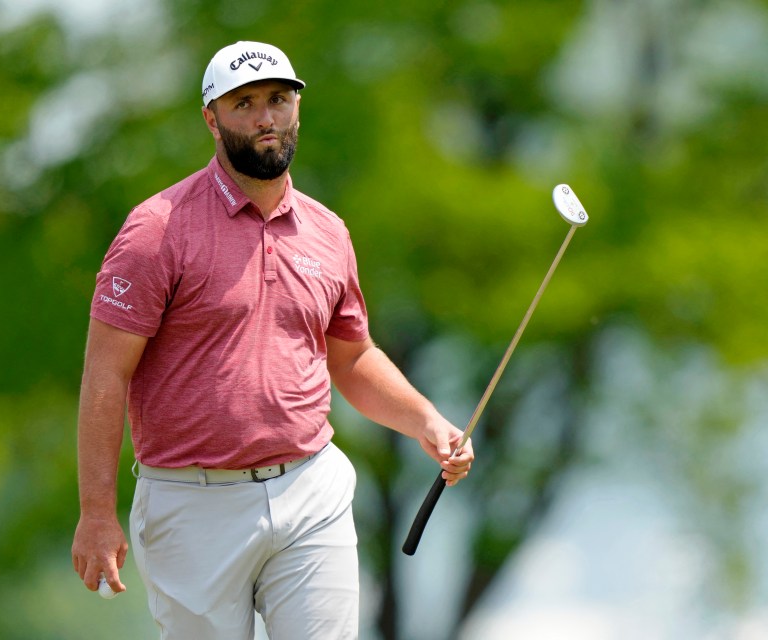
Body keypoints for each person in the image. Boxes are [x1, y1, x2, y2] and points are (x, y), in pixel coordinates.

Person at [71, 40, 475, 639]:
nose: (266, 117)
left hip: (311, 488)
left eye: (279, 100)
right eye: (245, 103)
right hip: (191, 502)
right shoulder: (156, 231)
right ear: (212, 118)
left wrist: (426, 421)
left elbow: (353, 356)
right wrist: (97, 512)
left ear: (297, 110)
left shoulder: (328, 233)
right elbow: (107, 373)